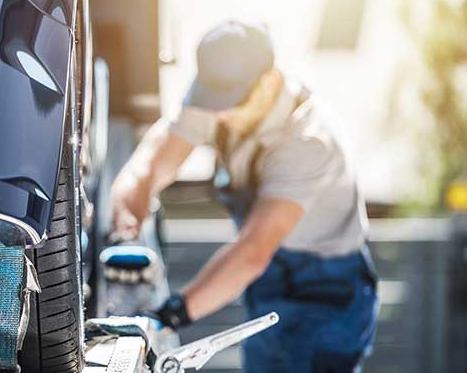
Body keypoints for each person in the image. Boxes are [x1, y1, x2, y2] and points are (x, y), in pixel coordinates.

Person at [110, 20, 379, 372]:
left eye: (230, 103)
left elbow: (253, 251)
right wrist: (133, 194)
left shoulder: (308, 142)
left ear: (270, 82)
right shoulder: (220, 93)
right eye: (213, 102)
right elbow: (159, 156)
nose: (219, 114)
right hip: (270, 278)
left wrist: (169, 315)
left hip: (325, 292)